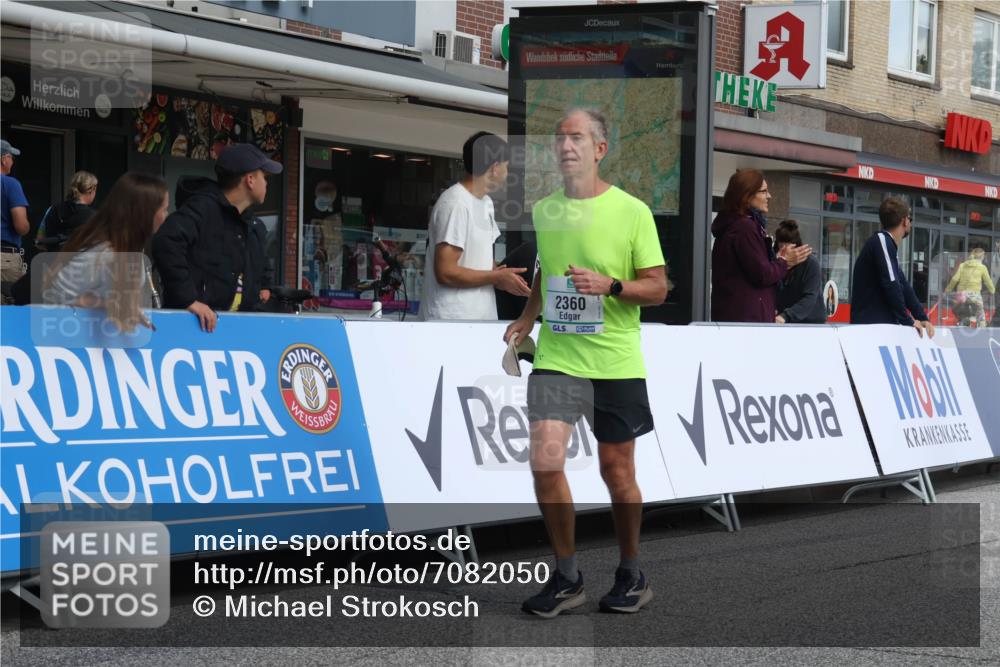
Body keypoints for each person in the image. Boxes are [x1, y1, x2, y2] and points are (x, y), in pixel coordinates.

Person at [504, 108, 667, 618]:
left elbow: (658, 287)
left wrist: (611, 286)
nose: (565, 146)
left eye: (576, 137)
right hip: (557, 357)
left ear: (600, 149)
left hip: (615, 361)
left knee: (616, 471)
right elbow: (546, 272)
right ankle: (567, 576)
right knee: (545, 461)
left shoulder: (632, 212)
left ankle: (631, 571)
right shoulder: (546, 210)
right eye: (559, 138)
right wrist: (528, 318)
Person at [152, 143, 278, 332]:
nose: (267, 183)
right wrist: (188, 300)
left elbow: (259, 266)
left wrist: (265, 287)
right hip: (195, 330)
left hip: (234, 331)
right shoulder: (203, 208)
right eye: (264, 176)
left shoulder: (252, 224)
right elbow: (166, 241)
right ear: (250, 180)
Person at [419, 131, 530, 320]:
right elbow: (445, 272)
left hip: (479, 320)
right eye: (507, 167)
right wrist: (495, 277)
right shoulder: (455, 203)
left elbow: (478, 260)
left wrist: (503, 276)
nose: (507, 173)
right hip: (451, 321)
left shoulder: (485, 202)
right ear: (495, 168)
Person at [44, 172, 168, 332]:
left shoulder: (125, 247)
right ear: (145, 212)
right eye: (164, 209)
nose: (166, 214)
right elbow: (54, 296)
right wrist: (108, 304)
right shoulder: (103, 251)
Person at [710, 169, 811, 322]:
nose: (769, 196)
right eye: (763, 191)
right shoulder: (744, 228)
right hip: (746, 324)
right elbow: (762, 275)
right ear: (746, 196)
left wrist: (778, 260)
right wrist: (784, 261)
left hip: (737, 318)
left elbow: (754, 270)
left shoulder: (735, 226)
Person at [850, 197, 934, 338]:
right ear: (905, 220)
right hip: (870, 330)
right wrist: (907, 320)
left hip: (879, 327)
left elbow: (903, 286)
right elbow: (892, 284)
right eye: (910, 219)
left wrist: (922, 317)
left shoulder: (887, 246)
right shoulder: (881, 241)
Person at [774, 220, 826, 324]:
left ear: (796, 247)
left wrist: (785, 316)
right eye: (780, 248)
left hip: (810, 323)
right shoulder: (776, 261)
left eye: (787, 248)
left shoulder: (811, 264)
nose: (784, 253)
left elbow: (810, 298)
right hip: (784, 320)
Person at [37, 171, 99, 249]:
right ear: (91, 191)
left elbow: (39, 242)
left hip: (53, 259)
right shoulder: (95, 218)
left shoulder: (52, 210)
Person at [1, 139, 30, 301]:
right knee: (10, 312)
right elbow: (21, 225)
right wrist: (26, 226)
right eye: (11, 157)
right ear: (3, 159)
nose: (12, 161)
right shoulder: (10, 184)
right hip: (4, 258)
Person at [946, 247, 995, 327]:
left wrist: (948, 289)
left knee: (957, 309)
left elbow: (955, 279)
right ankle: (981, 327)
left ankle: (963, 319)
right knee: (980, 312)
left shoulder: (962, 265)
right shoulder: (982, 267)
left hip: (962, 295)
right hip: (975, 295)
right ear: (982, 257)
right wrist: (992, 290)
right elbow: (988, 281)